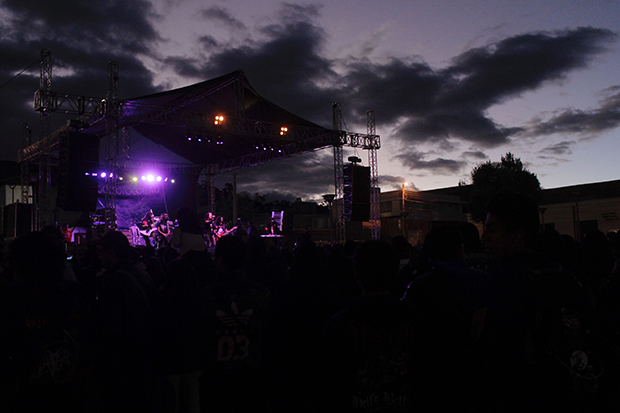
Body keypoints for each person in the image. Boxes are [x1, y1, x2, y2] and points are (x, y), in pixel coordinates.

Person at [480, 189, 611, 412]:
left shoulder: (500, 282)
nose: (485, 238)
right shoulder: (565, 277)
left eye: (491, 230)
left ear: (517, 235)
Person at [318, 240, 421, 412]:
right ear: (395, 273)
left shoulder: (338, 326)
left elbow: (328, 384)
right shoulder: (416, 322)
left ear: (356, 274)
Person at [80, 231, 154, 413]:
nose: (98, 254)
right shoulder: (141, 274)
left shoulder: (113, 281)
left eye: (100, 250)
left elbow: (111, 326)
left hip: (123, 360)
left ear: (111, 253)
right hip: (144, 354)